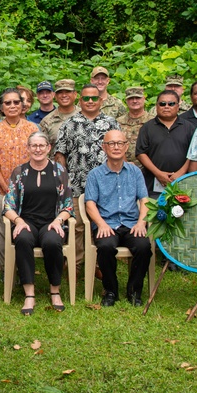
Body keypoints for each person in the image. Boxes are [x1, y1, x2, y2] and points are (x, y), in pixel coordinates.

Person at [2, 132, 74, 315]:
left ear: (49, 148)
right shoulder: (19, 172)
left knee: (52, 242)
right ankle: (29, 294)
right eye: (33, 146)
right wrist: (18, 221)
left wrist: (59, 220)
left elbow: (68, 205)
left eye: (42, 145)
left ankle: (55, 290)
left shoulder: (59, 171)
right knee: (23, 239)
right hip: (27, 222)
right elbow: (8, 205)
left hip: (52, 222)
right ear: (28, 148)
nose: (38, 149)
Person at [54, 84, 120, 266]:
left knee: (103, 224)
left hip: (106, 186)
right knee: (78, 226)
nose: (90, 101)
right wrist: (63, 181)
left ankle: (100, 264)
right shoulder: (69, 124)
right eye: (86, 98)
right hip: (76, 184)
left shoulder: (111, 123)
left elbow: (119, 151)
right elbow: (60, 154)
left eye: (94, 98)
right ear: (79, 100)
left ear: (100, 100)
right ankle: (75, 264)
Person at [85, 129, 151, 307]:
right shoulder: (95, 174)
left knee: (144, 246)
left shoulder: (135, 172)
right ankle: (111, 291)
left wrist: (141, 223)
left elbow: (144, 200)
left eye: (120, 143)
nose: (116, 147)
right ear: (104, 147)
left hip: (131, 223)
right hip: (107, 223)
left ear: (126, 146)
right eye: (111, 144)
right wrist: (101, 224)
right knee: (105, 246)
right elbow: (90, 203)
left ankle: (134, 291)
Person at [0, 88, 39, 271]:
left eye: (16, 102)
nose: (12, 106)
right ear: (1, 107)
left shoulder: (32, 129)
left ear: (22, 105)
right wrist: (7, 189)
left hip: (29, 190)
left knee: (26, 229)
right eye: (8, 103)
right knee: (3, 231)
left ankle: (26, 268)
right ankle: (6, 269)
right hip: (2, 189)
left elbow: (38, 158)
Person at [136, 90, 193, 198]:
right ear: (156, 106)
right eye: (162, 104)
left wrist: (180, 173)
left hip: (183, 182)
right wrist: (158, 173)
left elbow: (193, 154)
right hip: (153, 184)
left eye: (171, 104)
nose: (166, 106)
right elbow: (141, 153)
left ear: (178, 106)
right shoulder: (147, 127)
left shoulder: (188, 127)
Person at [117, 86, 154, 167]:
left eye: (138, 98)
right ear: (126, 101)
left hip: (149, 168)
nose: (134, 101)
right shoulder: (118, 122)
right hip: (123, 167)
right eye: (131, 98)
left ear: (144, 99)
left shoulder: (153, 121)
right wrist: (125, 164)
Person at [38, 79, 78, 152]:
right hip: (56, 162)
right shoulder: (47, 121)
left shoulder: (84, 115)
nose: (64, 95)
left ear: (75, 94)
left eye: (67, 92)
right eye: (60, 92)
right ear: (55, 96)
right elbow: (42, 149)